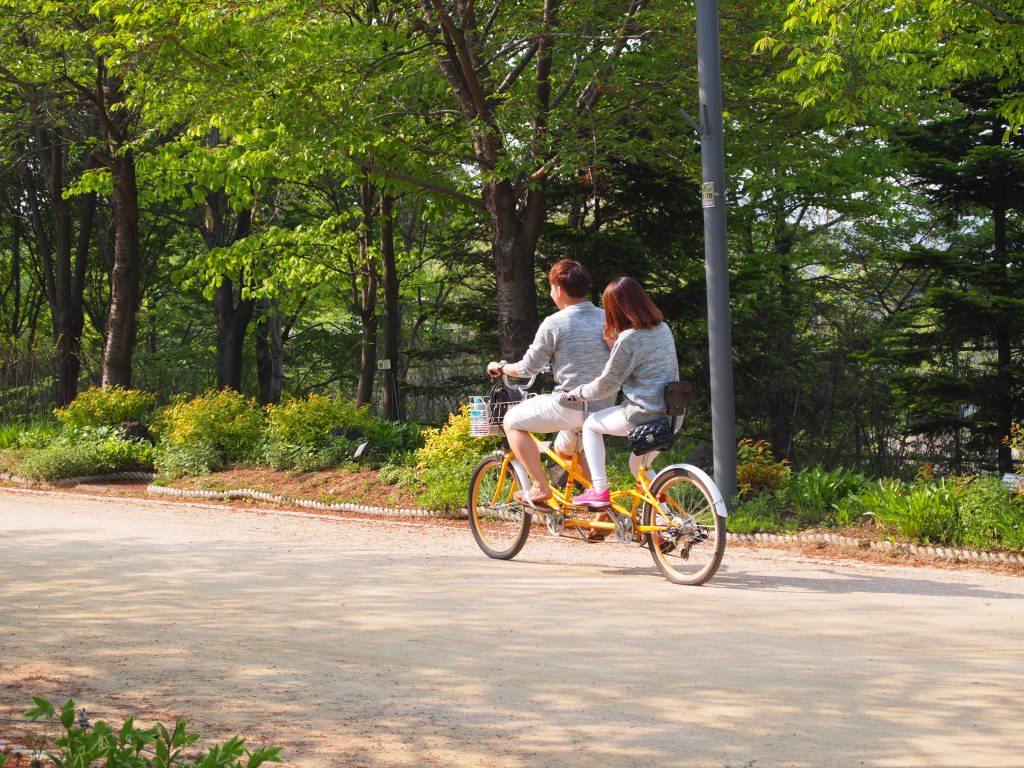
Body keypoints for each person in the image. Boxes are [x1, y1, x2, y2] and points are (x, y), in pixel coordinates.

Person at [486, 259, 614, 509]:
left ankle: (539, 487)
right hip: (603, 406)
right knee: (566, 449)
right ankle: (602, 512)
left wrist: (501, 367)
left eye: (551, 287)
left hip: (571, 405)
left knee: (511, 420)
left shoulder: (555, 322)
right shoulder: (607, 317)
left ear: (559, 289)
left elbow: (527, 368)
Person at [566, 276, 679, 509]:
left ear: (615, 308)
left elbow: (607, 384)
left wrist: (579, 393)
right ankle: (666, 519)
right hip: (671, 417)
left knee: (590, 425)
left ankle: (599, 490)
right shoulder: (663, 328)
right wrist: (615, 345)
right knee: (638, 467)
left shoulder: (629, 338)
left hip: (643, 416)